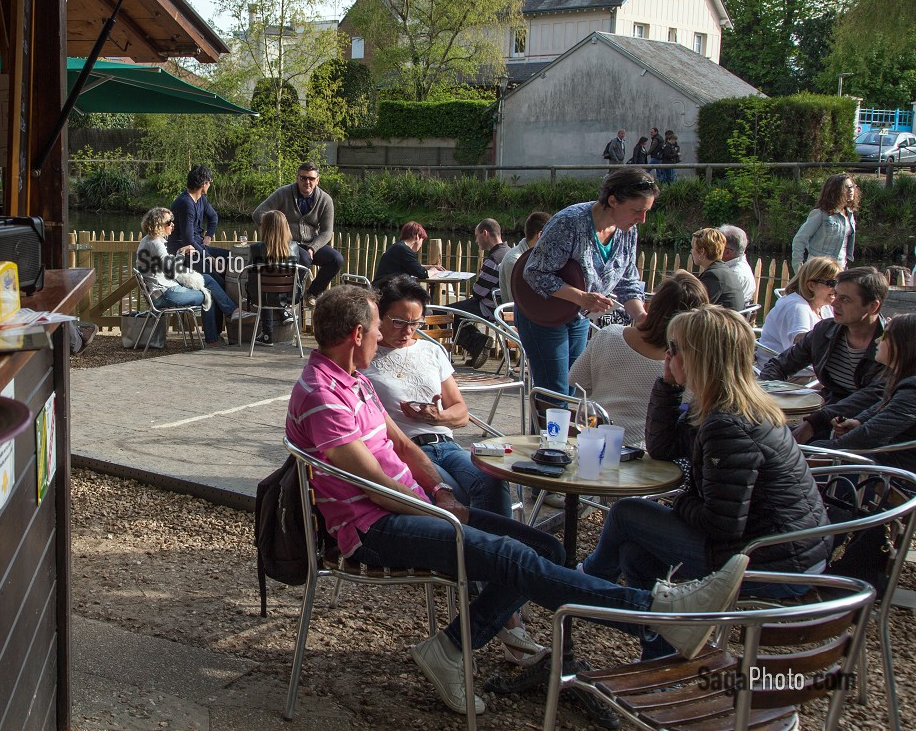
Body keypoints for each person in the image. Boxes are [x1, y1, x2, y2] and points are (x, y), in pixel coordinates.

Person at [286, 286, 750, 714]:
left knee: (548, 549)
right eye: (378, 330)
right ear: (357, 334)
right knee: (510, 555)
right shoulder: (321, 394)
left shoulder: (355, 380)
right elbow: (374, 486)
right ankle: (655, 614)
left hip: (410, 508)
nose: (386, 339)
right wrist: (444, 511)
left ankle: (451, 648)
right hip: (371, 529)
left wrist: (445, 491)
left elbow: (406, 447)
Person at [582, 306, 828, 618]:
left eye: (674, 349)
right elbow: (663, 448)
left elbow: (720, 524)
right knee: (636, 551)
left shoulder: (726, 423)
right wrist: (669, 386)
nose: (667, 357)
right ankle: (657, 633)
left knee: (626, 512)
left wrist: (680, 501)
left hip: (772, 566)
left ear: (700, 358)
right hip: (788, 552)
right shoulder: (728, 405)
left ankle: (586, 586)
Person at [364, 276, 511, 518]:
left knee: (492, 479)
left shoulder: (431, 350)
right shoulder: (366, 354)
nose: (408, 331)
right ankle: (483, 548)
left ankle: (500, 548)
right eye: (399, 322)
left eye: (415, 323)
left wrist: (438, 416)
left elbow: (461, 411)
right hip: (405, 449)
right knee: (454, 494)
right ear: (379, 315)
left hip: (446, 445)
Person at [518, 169, 657, 395]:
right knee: (554, 392)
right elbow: (534, 273)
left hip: (578, 314)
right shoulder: (569, 222)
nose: (642, 219)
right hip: (543, 313)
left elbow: (627, 281)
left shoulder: (627, 231)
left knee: (575, 386)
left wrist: (641, 317)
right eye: (637, 211)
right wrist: (582, 297)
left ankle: (568, 431)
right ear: (613, 201)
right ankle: (544, 432)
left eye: (646, 212)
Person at [568, 270, 710, 443]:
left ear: (654, 304)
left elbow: (575, 380)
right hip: (649, 450)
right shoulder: (688, 365)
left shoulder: (609, 335)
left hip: (596, 441)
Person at [763, 267, 888, 414]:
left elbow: (874, 397)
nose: (834, 303)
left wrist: (816, 422)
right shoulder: (825, 331)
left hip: (869, 419)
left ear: (873, 306)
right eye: (836, 294)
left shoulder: (893, 343)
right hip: (828, 409)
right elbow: (780, 365)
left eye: (845, 299)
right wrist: (763, 395)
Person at [810, 314, 916, 472]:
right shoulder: (906, 381)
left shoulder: (912, 391)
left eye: (885, 335)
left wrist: (816, 449)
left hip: (894, 478)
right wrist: (859, 421)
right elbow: (885, 407)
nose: (877, 340)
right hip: (884, 464)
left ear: (904, 344)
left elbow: (868, 436)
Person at [134, 207, 242, 347]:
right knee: (208, 293)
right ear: (158, 225)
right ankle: (214, 337)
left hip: (160, 291)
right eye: (169, 222)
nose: (173, 224)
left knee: (207, 279)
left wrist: (180, 252)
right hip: (165, 294)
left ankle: (231, 312)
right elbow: (173, 272)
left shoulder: (148, 240)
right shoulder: (156, 244)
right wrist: (181, 254)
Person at [253, 161, 343, 299]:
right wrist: (277, 232)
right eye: (303, 178)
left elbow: (326, 232)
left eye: (311, 178)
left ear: (317, 180)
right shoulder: (283, 193)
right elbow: (258, 214)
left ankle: (312, 293)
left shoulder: (326, 200)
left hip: (311, 243)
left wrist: (313, 247)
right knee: (304, 259)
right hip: (288, 242)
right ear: (297, 178)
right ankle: (291, 296)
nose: (307, 182)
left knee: (336, 259)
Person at [756, 256, 838, 371]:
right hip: (783, 375)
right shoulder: (796, 307)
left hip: (809, 371)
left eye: (839, 283)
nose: (836, 288)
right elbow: (800, 347)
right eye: (832, 283)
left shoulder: (825, 306)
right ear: (811, 285)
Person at [448, 219, 507, 368]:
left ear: (485, 233)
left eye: (476, 236)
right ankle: (477, 346)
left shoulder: (494, 259)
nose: (475, 240)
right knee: (455, 314)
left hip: (488, 307)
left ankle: (478, 342)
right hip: (506, 306)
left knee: (443, 313)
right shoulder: (509, 252)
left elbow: (478, 292)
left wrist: (479, 278)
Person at [245, 209, 301, 345]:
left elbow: (250, 272)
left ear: (266, 228)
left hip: (261, 297)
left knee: (263, 287)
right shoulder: (294, 247)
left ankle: (267, 335)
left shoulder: (256, 248)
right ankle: (284, 313)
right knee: (270, 287)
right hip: (288, 297)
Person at [168, 164, 229, 276]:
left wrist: (208, 235)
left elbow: (214, 216)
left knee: (232, 258)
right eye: (209, 181)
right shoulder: (186, 204)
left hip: (198, 248)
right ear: (203, 183)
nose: (210, 184)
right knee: (216, 278)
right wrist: (212, 260)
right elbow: (188, 241)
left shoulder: (202, 200)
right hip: (183, 253)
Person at [792, 173, 859, 271]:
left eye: (852, 186)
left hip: (839, 269)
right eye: (846, 187)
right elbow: (799, 240)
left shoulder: (849, 214)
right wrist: (798, 269)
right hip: (818, 269)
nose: (851, 190)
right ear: (835, 191)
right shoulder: (820, 214)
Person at [498, 211, 550, 306]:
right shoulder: (515, 261)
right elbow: (517, 303)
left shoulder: (535, 256)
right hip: (516, 318)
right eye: (551, 235)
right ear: (540, 235)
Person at [691, 227, 747, 311]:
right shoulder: (724, 270)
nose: (691, 251)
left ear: (702, 251)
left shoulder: (714, 276)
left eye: (693, 248)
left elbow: (698, 308)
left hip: (724, 323)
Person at [373, 221, 443, 285]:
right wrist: (433, 271)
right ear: (417, 237)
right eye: (422, 240)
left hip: (383, 286)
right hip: (385, 289)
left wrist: (430, 266)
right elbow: (422, 274)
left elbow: (413, 266)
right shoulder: (403, 250)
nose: (421, 244)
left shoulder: (398, 247)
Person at [717, 224, 757, 306]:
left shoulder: (733, 274)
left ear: (727, 252)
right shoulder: (742, 267)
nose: (711, 248)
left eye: (715, 246)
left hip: (725, 317)